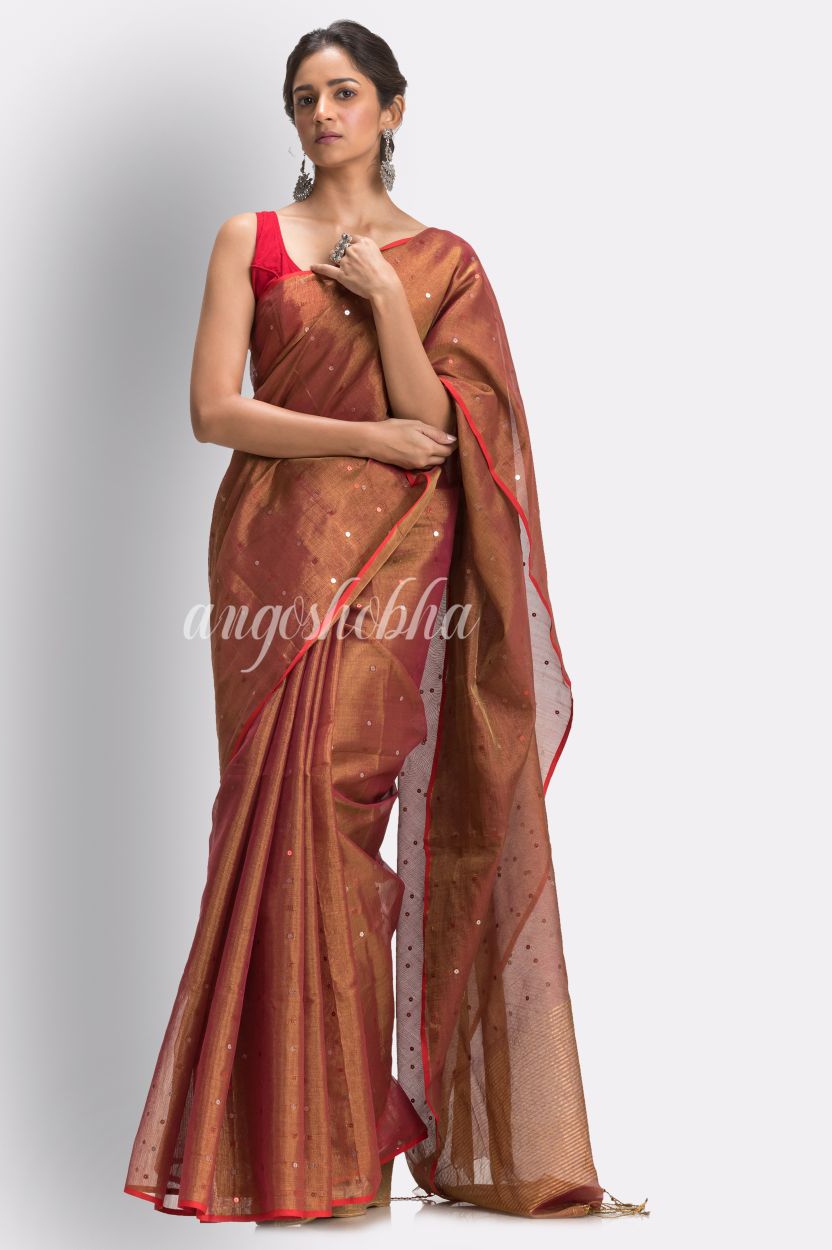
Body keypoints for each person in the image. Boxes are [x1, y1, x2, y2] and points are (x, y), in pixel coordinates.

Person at [123, 19, 646, 1227]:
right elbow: (214, 411)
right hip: (270, 554)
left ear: (392, 109)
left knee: (337, 813)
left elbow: (445, 429)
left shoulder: (444, 261)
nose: (322, 112)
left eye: (345, 91)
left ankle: (344, 1140)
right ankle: (284, 1148)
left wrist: (383, 304)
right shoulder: (248, 239)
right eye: (304, 96)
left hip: (398, 557)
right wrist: (360, 435)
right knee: (273, 821)